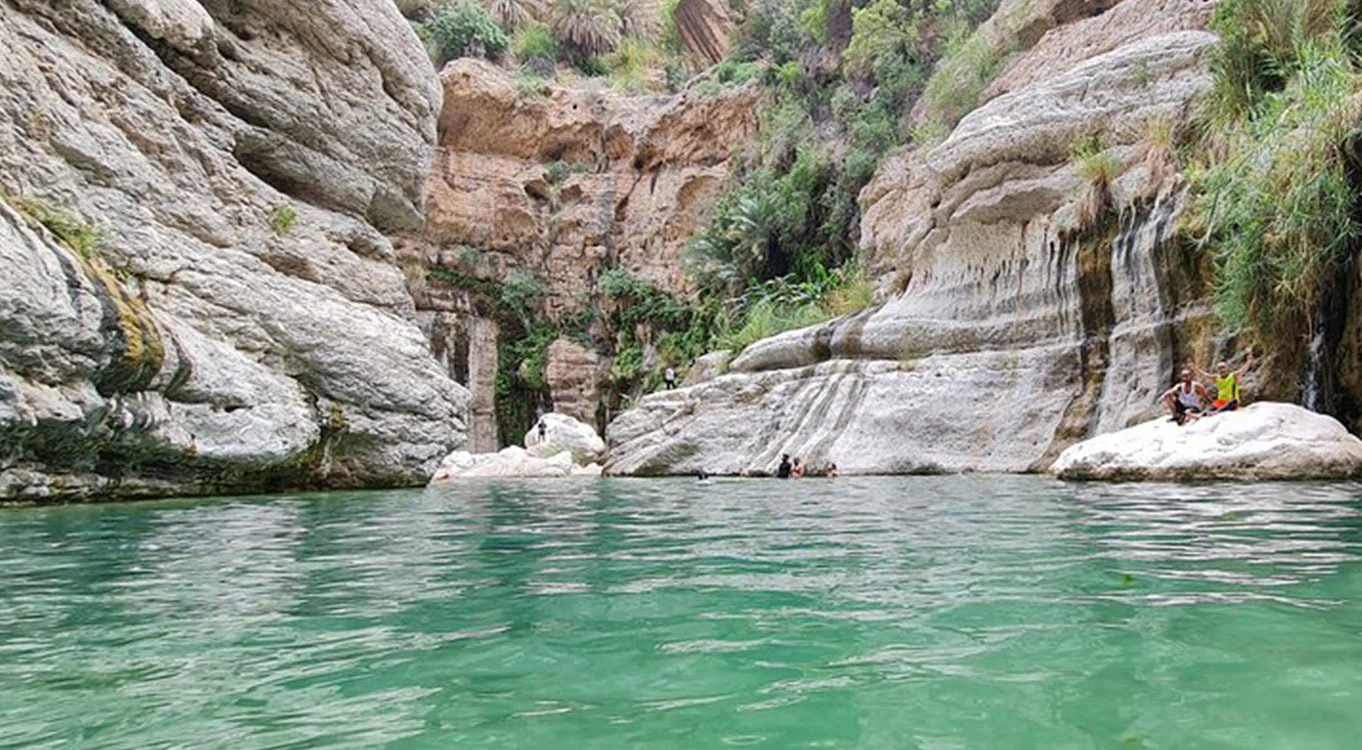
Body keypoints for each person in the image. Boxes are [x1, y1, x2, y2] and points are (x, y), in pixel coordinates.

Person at [1189, 351, 1254, 413]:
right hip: (1220, 402)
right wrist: (1194, 367)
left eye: (1223, 368)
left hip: (1232, 401)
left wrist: (1249, 360)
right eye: (1219, 368)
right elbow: (1204, 374)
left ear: (1227, 368)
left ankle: (1217, 411)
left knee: (1231, 402)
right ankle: (1205, 413)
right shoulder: (1217, 378)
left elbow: (1243, 370)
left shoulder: (1233, 376)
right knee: (1210, 408)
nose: (1221, 370)